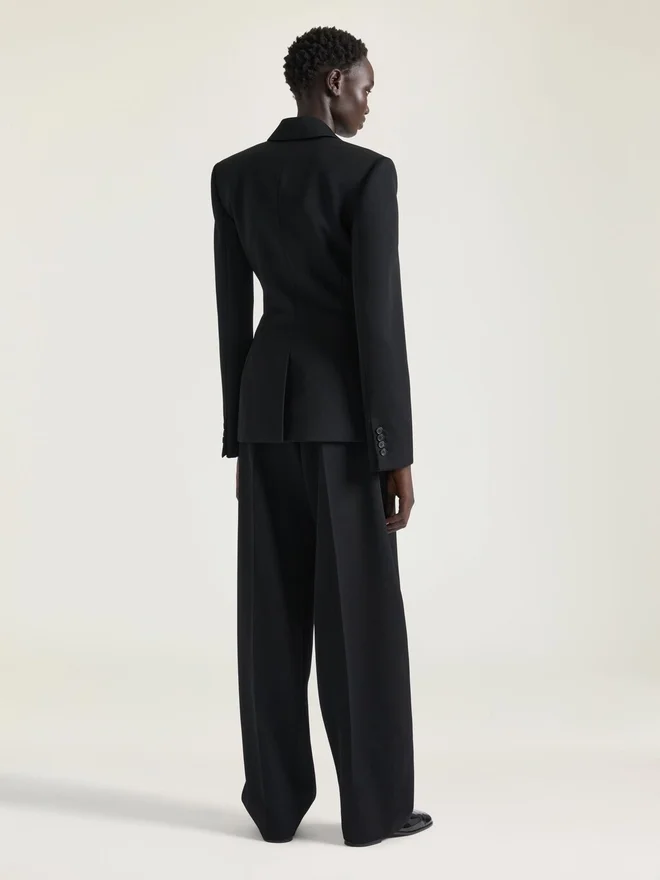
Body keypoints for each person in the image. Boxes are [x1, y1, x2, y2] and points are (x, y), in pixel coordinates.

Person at [210, 25, 432, 847]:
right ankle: (372, 811)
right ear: (334, 81)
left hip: (267, 415)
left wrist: (240, 437)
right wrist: (394, 450)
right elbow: (378, 320)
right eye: (365, 87)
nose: (368, 104)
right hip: (343, 425)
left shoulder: (233, 176)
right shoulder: (366, 175)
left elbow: (233, 315)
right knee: (358, 619)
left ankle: (274, 806)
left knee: (269, 616)